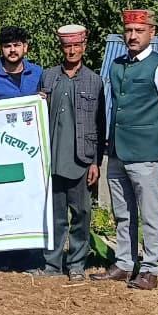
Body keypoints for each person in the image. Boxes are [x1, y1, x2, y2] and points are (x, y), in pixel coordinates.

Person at [92, 9, 158, 291]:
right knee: (122, 212)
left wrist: (151, 131)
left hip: (145, 152)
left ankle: (150, 269)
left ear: (151, 33)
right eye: (129, 31)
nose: (132, 36)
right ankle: (124, 263)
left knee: (149, 213)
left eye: (139, 31)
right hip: (117, 150)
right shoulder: (117, 64)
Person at [39, 25, 106, 280]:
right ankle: (52, 264)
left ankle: (77, 264)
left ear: (84, 47)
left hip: (81, 158)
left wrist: (96, 162)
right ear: (61, 48)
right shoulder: (48, 77)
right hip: (52, 158)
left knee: (81, 214)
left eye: (76, 46)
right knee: (55, 215)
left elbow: (100, 124)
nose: (72, 51)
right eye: (67, 46)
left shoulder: (94, 80)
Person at [0, 27, 43, 101]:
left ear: (25, 47)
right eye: (7, 46)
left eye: (16, 45)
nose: (12, 50)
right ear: (0, 49)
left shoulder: (38, 73)